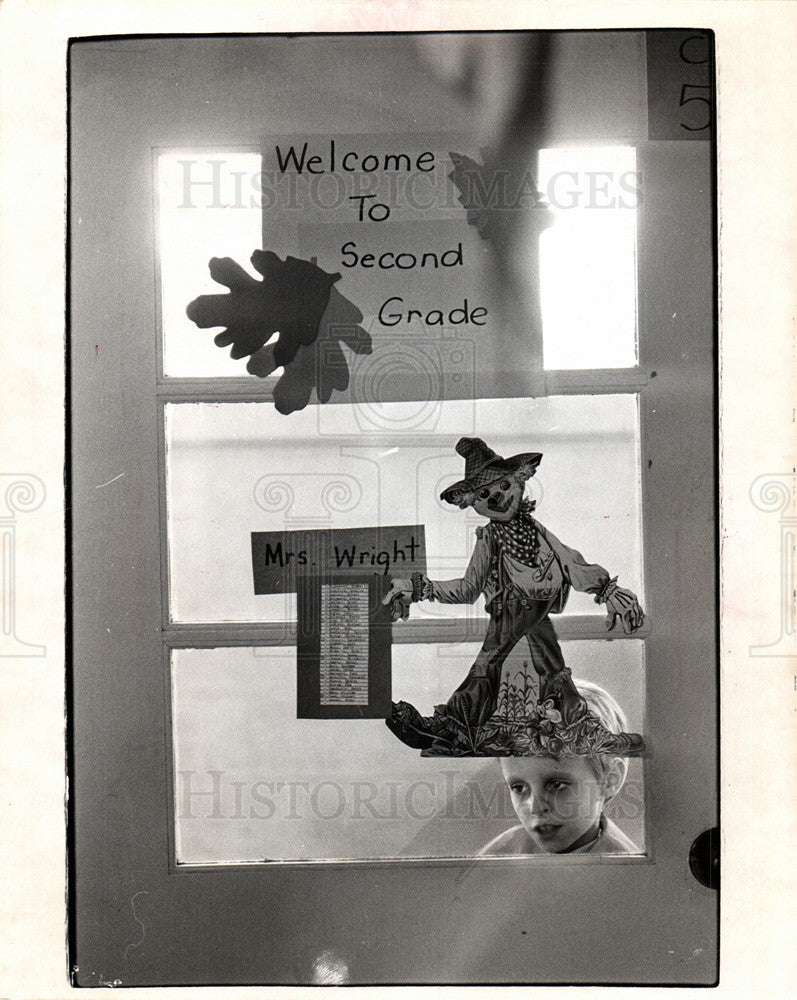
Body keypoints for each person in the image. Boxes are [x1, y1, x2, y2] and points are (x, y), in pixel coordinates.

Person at [382, 437, 645, 753]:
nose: (496, 498)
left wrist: (608, 589)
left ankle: (580, 733)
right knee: (488, 670)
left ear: (519, 480)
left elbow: (570, 562)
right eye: (484, 494)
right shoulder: (490, 538)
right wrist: (421, 588)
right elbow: (468, 589)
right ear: (472, 502)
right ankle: (448, 727)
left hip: (537, 616)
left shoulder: (535, 530)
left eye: (502, 486)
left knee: (552, 673)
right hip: (510, 615)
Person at [479, 680, 641, 855]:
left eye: (557, 785)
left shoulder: (634, 871)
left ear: (610, 779)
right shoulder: (497, 856)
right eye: (518, 788)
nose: (536, 807)